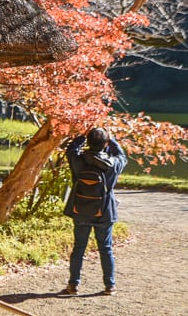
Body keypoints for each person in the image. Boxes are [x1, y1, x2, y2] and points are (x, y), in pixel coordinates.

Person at [59, 127, 127, 297]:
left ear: (88, 142)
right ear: (105, 143)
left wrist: (82, 135)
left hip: (80, 209)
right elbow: (122, 156)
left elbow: (71, 149)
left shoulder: (78, 160)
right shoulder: (113, 164)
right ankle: (109, 286)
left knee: (79, 248)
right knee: (106, 248)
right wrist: (111, 140)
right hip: (104, 212)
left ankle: (73, 285)